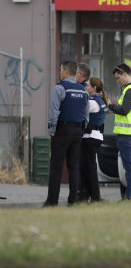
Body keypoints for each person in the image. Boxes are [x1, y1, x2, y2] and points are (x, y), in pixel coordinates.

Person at [44, 61, 90, 207]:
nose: (60, 72)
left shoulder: (60, 88)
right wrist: (82, 129)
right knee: (73, 166)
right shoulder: (83, 90)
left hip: (62, 130)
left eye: (61, 70)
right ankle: (73, 200)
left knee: (56, 166)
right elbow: (86, 114)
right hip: (77, 131)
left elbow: (54, 110)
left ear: (65, 71)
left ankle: (52, 202)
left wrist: (52, 129)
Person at [108, 63, 131, 199]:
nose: (117, 81)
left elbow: (124, 110)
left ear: (125, 74)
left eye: (118, 78)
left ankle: (130, 195)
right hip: (130, 134)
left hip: (127, 135)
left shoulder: (130, 90)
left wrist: (110, 105)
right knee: (129, 166)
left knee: (129, 167)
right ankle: (130, 194)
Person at [78, 77, 109, 202]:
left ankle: (94, 196)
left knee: (88, 168)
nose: (86, 87)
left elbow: (80, 112)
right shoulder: (101, 100)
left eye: (88, 86)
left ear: (94, 88)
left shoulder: (92, 102)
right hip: (96, 136)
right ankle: (91, 195)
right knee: (89, 167)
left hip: (89, 137)